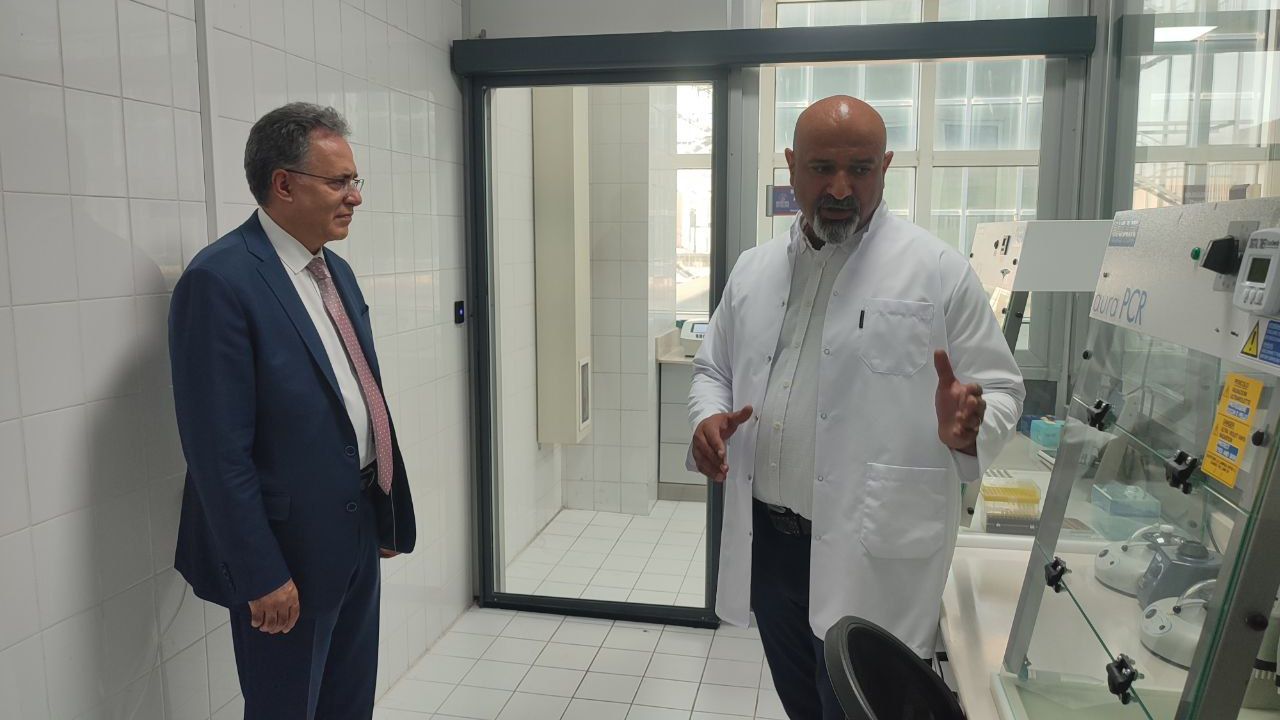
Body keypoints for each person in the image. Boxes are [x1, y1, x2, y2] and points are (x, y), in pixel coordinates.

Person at [687, 96, 1024, 719]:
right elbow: (714, 370)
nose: (841, 188)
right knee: (802, 704)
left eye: (861, 169)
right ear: (791, 165)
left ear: (885, 167)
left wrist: (968, 430)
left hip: (873, 551)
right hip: (772, 548)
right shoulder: (754, 271)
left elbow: (1002, 389)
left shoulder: (938, 271)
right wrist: (707, 417)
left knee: (857, 706)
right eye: (822, 168)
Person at [169, 103, 416, 720]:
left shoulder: (335, 273)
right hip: (284, 553)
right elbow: (216, 452)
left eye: (355, 180)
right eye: (339, 181)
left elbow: (359, 394)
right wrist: (260, 573)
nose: (355, 196)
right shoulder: (221, 280)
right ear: (283, 184)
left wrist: (382, 510)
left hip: (354, 528)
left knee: (348, 702)